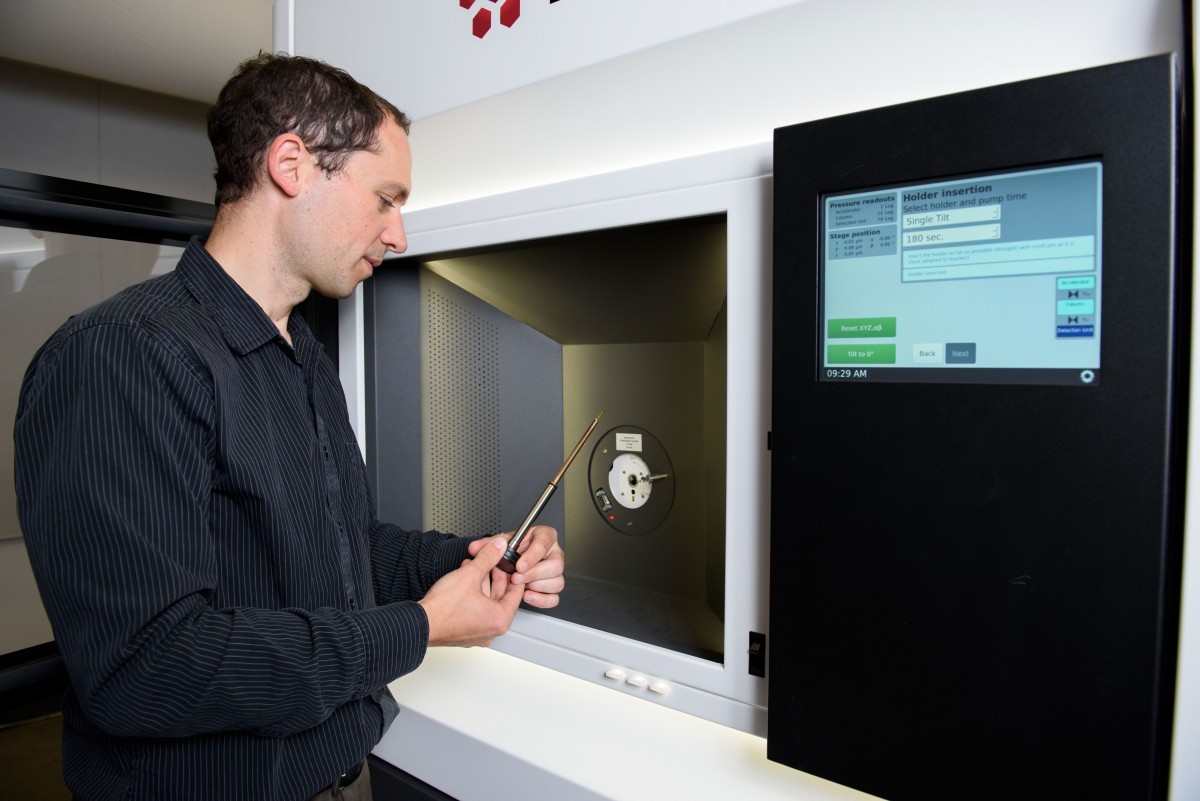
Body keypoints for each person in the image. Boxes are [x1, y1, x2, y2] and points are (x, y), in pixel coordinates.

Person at [13, 51, 565, 801]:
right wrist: (419, 626)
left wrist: (470, 557)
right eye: (385, 198)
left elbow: (342, 549)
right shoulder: (121, 357)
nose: (398, 234)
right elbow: (147, 665)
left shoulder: (301, 354)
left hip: (342, 776)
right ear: (293, 165)